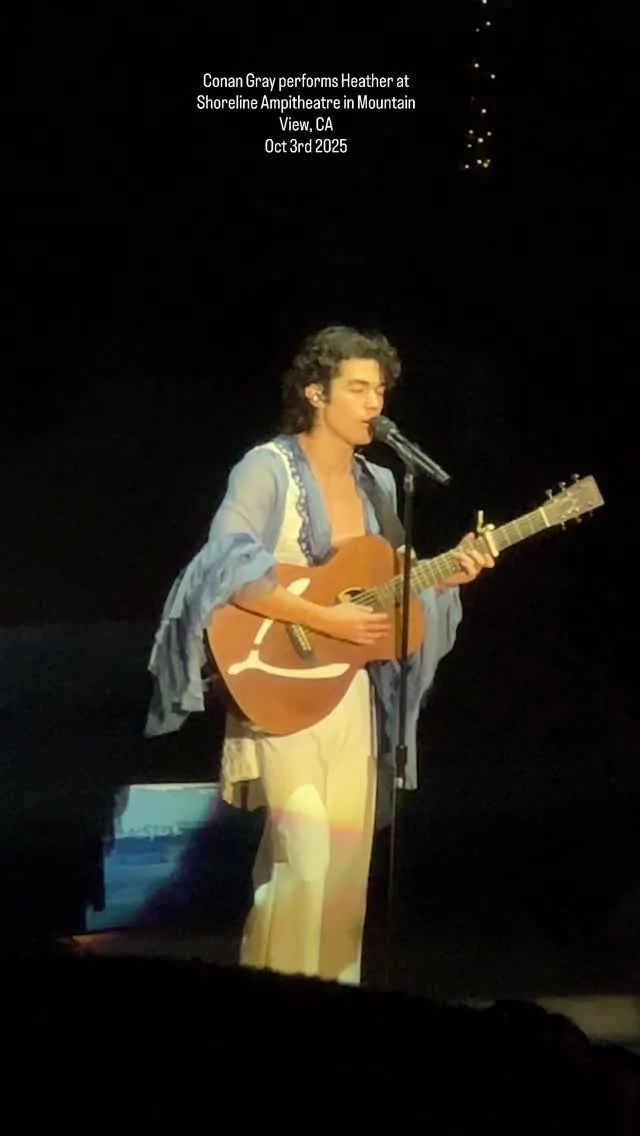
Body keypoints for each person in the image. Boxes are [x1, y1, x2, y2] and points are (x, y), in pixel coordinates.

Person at [144, 325, 494, 984]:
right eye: (358, 388)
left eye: (380, 390)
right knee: (301, 862)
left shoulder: (379, 483)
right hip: (276, 680)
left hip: (347, 690)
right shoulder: (266, 468)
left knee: (344, 871)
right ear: (315, 392)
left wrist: (447, 575)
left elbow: (391, 587)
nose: (374, 404)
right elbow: (225, 565)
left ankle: (337, 1009)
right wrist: (320, 615)